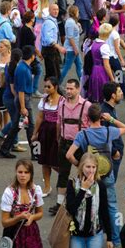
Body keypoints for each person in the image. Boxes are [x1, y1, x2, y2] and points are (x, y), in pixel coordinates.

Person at [66, 103, 125, 248]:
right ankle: (116, 240)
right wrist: (111, 119)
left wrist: (80, 165)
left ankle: (92, 236)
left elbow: (69, 155)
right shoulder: (109, 131)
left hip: (89, 177)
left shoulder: (83, 134)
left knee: (90, 204)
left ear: (87, 118)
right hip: (106, 174)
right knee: (112, 206)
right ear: (101, 117)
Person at [65, 153, 113, 248]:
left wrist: (109, 237)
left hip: (95, 234)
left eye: (93, 167)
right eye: (87, 167)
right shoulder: (72, 183)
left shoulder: (100, 186)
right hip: (76, 235)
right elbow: (71, 208)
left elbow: (104, 211)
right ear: (81, 167)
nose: (90, 170)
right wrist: (83, 189)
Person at [50, 78, 91, 217]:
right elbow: (58, 122)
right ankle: (59, 204)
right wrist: (58, 139)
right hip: (65, 143)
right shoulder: (61, 104)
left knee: (85, 173)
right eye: (67, 88)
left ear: (78, 89)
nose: (68, 91)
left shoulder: (86, 105)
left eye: (71, 88)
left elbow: (92, 125)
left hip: (80, 146)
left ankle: (88, 200)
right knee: (63, 174)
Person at [0, 45, 36, 159]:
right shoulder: (23, 69)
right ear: (32, 56)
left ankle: (4, 149)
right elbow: (20, 91)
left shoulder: (23, 67)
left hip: (23, 100)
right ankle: (35, 153)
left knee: (16, 126)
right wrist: (23, 107)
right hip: (24, 101)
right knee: (30, 127)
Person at [33, 77, 61, 196]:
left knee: (55, 162)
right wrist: (35, 133)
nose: (46, 89)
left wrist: (60, 137)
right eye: (45, 86)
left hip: (56, 133)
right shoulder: (44, 100)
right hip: (45, 132)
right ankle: (47, 186)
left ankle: (65, 180)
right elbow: (40, 117)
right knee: (44, 161)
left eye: (49, 87)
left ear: (55, 87)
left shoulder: (62, 101)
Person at [86, 23, 115, 103]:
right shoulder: (104, 46)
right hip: (101, 71)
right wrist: (112, 78)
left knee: (96, 91)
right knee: (103, 92)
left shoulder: (94, 43)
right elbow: (106, 65)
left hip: (94, 69)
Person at [40, 3, 65, 81]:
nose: (56, 11)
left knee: (55, 72)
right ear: (49, 11)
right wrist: (58, 47)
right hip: (49, 50)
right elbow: (48, 38)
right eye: (54, 9)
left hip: (52, 50)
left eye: (57, 9)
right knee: (53, 74)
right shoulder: (49, 23)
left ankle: (55, 90)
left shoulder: (53, 21)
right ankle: (53, 91)